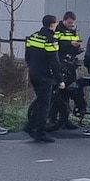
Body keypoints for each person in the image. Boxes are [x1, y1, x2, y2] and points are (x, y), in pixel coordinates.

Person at [25, 15, 63, 143]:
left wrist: (32, 67)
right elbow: (54, 62)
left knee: (40, 101)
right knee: (45, 105)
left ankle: (30, 126)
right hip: (45, 76)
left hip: (33, 73)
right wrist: (60, 80)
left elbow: (27, 56)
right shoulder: (50, 40)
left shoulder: (33, 36)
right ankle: (40, 132)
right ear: (52, 24)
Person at [54, 11, 86, 123]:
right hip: (60, 64)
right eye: (69, 23)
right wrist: (69, 44)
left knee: (69, 91)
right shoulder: (57, 30)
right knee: (58, 93)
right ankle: (53, 118)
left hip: (71, 65)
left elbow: (73, 48)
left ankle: (65, 119)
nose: (71, 25)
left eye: (73, 23)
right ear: (64, 20)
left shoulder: (74, 31)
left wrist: (77, 50)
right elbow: (55, 44)